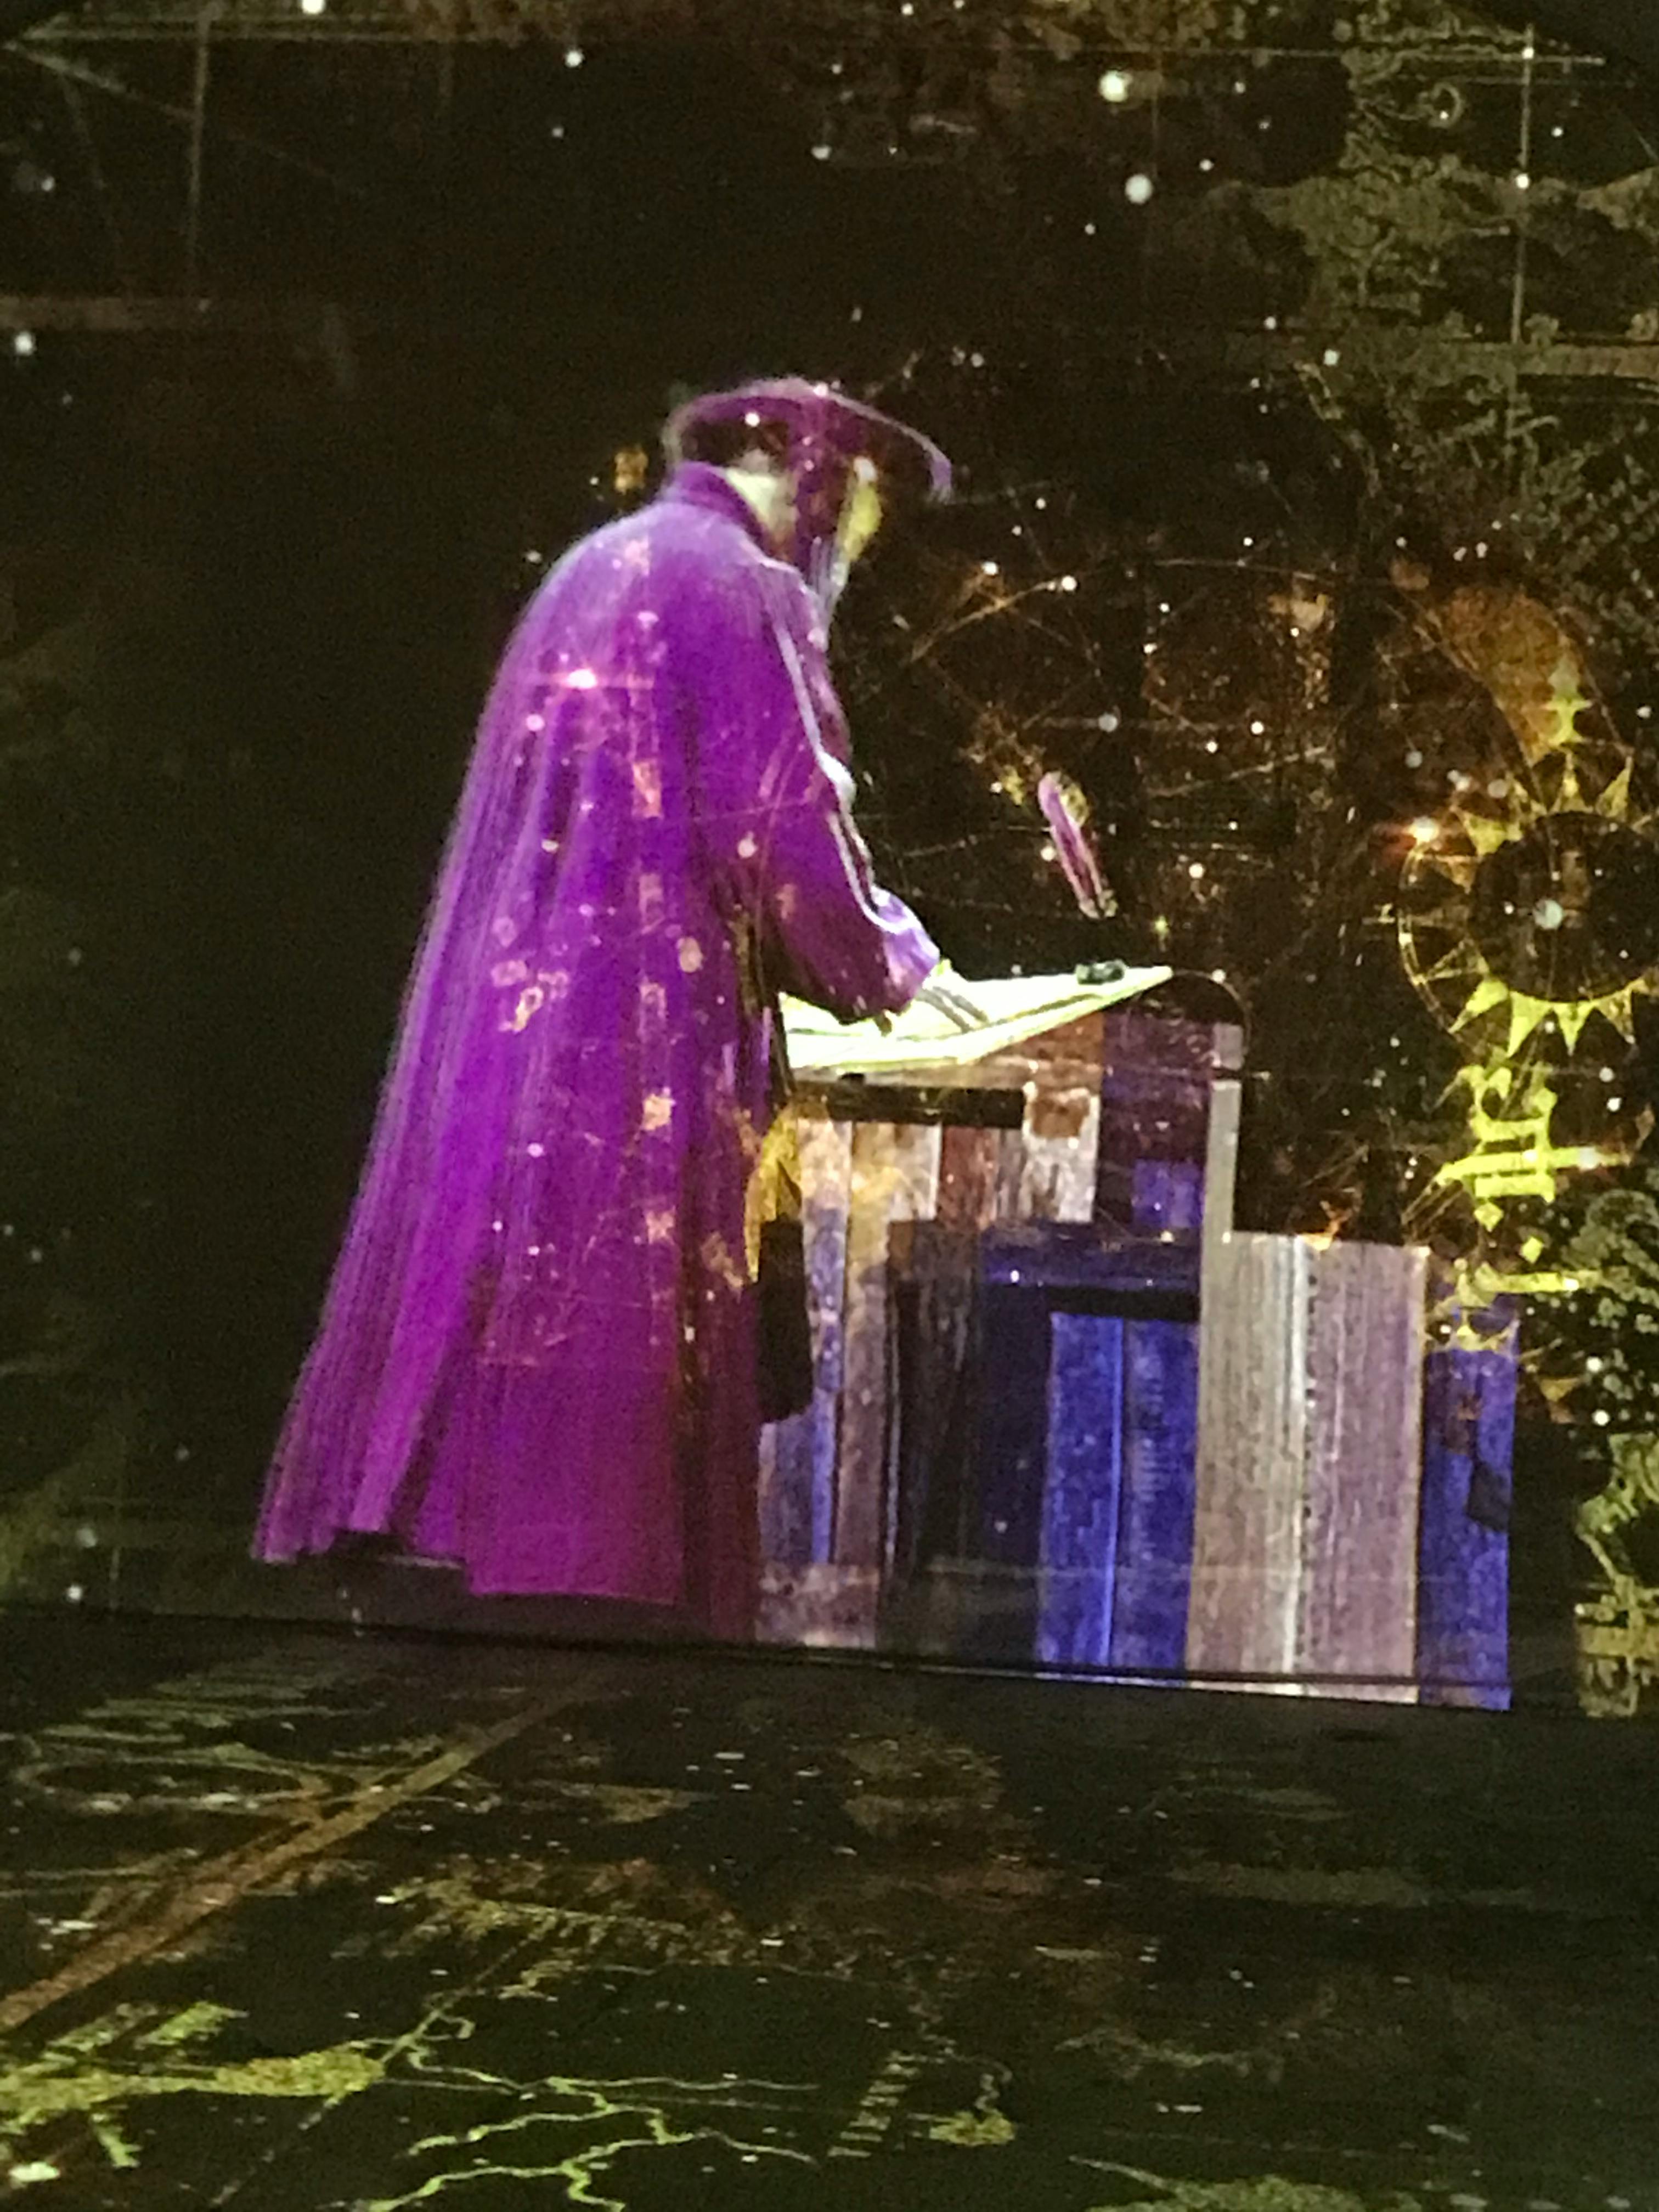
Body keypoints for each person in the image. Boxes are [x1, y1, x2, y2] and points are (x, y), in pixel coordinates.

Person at [253, 377, 968, 1639]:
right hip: (637, 1013)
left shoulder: (596, 566)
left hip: (511, 1007)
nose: (860, 544)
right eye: (863, 509)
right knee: (615, 1301)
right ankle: (594, 1592)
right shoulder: (740, 587)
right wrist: (901, 963)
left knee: (500, 1266)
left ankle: (459, 1552)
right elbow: (781, 831)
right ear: (821, 477)